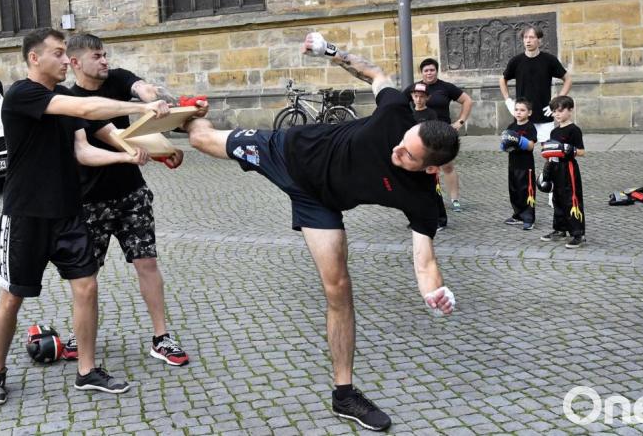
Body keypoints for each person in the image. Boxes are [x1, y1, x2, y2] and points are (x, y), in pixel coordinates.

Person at [184, 32, 458, 432]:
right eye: (402, 142)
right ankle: (189, 113)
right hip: (285, 151)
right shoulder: (396, 115)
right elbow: (374, 72)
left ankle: (344, 394)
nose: (396, 150)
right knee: (200, 139)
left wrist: (434, 292)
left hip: (320, 204)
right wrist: (330, 51)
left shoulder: (421, 199)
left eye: (406, 154)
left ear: (431, 169)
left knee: (339, 288)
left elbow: (424, 260)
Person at [0, 28, 169, 406]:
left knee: (86, 288)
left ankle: (87, 370)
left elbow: (84, 150)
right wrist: (140, 107)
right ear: (35, 58)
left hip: (68, 212)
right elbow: (87, 109)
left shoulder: (65, 99)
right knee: (12, 298)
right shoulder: (23, 94)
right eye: (57, 53)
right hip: (26, 216)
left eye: (66, 53)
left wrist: (125, 155)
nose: (65, 60)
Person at [63, 33, 189, 366]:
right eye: (96, 57)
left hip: (131, 193)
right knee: (86, 275)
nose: (105, 61)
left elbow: (142, 89)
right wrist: (157, 150)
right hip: (89, 200)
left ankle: (161, 337)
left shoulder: (117, 79)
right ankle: (80, 334)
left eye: (105, 54)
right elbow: (112, 135)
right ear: (75, 62)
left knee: (147, 262)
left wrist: (154, 100)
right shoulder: (71, 100)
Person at [403, 58, 472, 212]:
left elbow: (467, 101)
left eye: (432, 70)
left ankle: (454, 200)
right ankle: (426, 199)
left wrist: (460, 122)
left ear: (436, 71)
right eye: (426, 70)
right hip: (421, 135)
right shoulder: (415, 88)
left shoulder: (446, 87)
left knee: (447, 165)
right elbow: (399, 103)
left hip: (443, 133)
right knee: (421, 167)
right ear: (421, 72)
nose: (429, 73)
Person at [499, 24, 572, 144]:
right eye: (525, 37)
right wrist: (508, 101)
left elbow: (568, 79)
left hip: (544, 113)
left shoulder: (549, 60)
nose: (528, 40)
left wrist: (557, 101)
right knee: (522, 149)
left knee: (548, 150)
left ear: (539, 40)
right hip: (523, 115)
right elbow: (502, 79)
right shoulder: (516, 61)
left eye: (532, 37)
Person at [538, 96, 585, 248]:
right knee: (557, 198)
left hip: (568, 168)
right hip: (555, 167)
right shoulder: (554, 132)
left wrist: (571, 150)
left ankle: (577, 233)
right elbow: (550, 152)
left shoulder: (574, 130)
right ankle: (560, 229)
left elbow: (582, 151)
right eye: (554, 111)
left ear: (570, 110)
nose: (557, 114)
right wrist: (546, 170)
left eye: (560, 111)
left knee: (571, 199)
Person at [410, 81, 447, 230]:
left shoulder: (431, 114)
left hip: (428, 155)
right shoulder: (409, 113)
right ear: (412, 96)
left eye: (421, 96)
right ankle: (418, 218)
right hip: (413, 155)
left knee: (433, 188)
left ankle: (440, 219)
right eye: (416, 96)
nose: (418, 99)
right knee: (415, 188)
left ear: (427, 98)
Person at [500, 97, 537, 230]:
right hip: (513, 164)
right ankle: (518, 215)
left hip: (526, 166)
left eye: (522, 110)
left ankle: (529, 218)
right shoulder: (511, 127)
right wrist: (504, 146)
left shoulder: (530, 127)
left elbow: (531, 146)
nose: (519, 112)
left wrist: (519, 141)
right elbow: (506, 144)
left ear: (529, 112)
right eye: (516, 110)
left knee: (526, 191)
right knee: (514, 191)